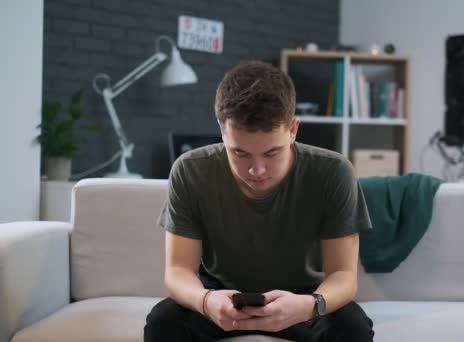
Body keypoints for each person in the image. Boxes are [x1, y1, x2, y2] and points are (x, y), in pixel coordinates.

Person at [144, 61, 374, 341]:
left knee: (352, 328)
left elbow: (343, 275)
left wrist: (309, 305)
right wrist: (206, 301)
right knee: (162, 323)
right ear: (222, 129)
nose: (257, 170)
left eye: (272, 153)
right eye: (239, 153)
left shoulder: (334, 172)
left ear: (293, 129)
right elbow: (178, 270)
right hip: (219, 297)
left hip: (304, 300)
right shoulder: (190, 170)